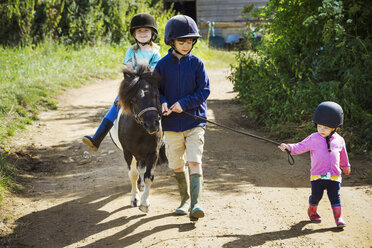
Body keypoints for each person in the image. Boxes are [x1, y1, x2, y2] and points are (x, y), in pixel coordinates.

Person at [155, 15, 210, 221]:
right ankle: (185, 199)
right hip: (170, 125)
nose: (187, 45)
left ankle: (196, 203)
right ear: (172, 42)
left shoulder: (197, 64)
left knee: (194, 161)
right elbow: (157, 90)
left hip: (195, 122)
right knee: (177, 165)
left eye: (189, 41)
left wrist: (183, 104)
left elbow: (204, 91)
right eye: (181, 42)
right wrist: (162, 102)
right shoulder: (161, 65)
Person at [82, 13, 161, 152]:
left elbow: (153, 72)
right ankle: (97, 138)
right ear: (134, 34)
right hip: (134, 85)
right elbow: (129, 70)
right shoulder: (131, 51)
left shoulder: (155, 52)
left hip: (149, 86)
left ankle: (167, 139)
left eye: (146, 30)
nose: (143, 34)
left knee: (163, 103)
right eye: (139, 31)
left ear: (152, 33)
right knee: (117, 104)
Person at [278, 101, 351, 228]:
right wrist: (288, 147)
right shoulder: (313, 138)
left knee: (335, 197)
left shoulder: (340, 140)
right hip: (317, 176)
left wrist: (345, 166)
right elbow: (300, 146)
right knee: (316, 196)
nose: (321, 130)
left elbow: (343, 155)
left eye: (326, 128)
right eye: (319, 126)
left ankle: (338, 218)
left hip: (334, 176)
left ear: (335, 127)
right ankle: (312, 211)